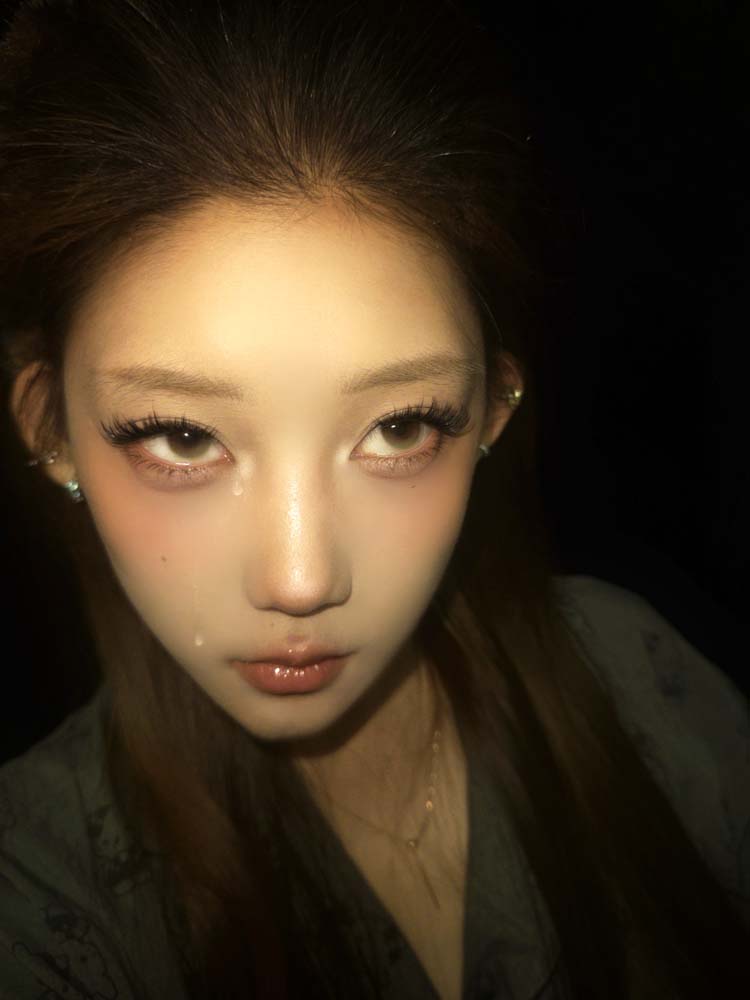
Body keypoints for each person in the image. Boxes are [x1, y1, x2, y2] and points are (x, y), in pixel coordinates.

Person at [0, 2, 747, 998]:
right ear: (50, 428)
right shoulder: (36, 891)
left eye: (399, 427)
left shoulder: (640, 681)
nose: (301, 579)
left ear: (492, 407)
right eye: (182, 437)